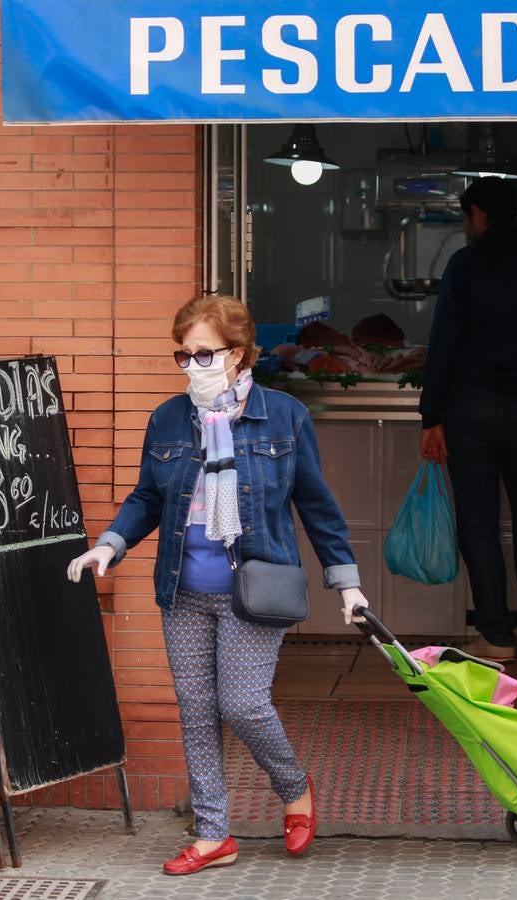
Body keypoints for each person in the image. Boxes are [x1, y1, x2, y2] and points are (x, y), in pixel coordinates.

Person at [67, 295, 369, 875]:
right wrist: (110, 543)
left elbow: (316, 505)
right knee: (198, 709)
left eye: (204, 354)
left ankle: (292, 785)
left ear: (238, 354)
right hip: (183, 588)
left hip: (255, 586)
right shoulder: (168, 419)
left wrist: (346, 583)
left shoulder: (283, 416)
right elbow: (148, 498)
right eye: (184, 356)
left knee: (243, 704)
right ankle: (213, 835)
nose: (192, 367)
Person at [419, 177, 517, 663]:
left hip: (471, 407)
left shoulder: (466, 264)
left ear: (479, 214)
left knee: (480, 521)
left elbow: (443, 341)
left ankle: (498, 636)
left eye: (467, 217)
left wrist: (430, 414)